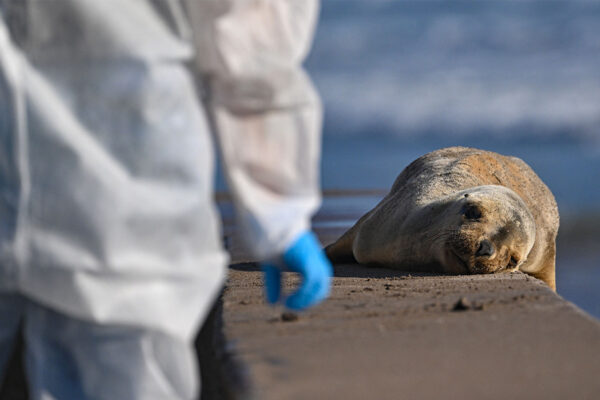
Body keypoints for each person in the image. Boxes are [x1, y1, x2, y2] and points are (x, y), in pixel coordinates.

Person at [0, 1, 332, 399]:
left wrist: (279, 210)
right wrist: (278, 205)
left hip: (122, 185)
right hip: (125, 180)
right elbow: (247, 36)